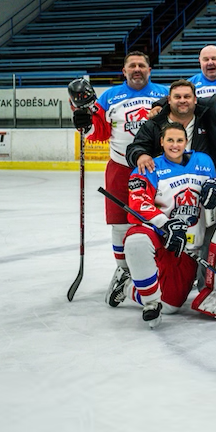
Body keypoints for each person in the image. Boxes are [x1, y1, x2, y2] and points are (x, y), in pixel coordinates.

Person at [70, 51, 168, 295]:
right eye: (132, 66)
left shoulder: (164, 94)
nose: (137, 69)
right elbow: (99, 132)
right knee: (119, 222)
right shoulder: (110, 96)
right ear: (123, 71)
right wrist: (85, 122)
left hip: (157, 168)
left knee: (162, 218)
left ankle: (163, 269)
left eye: (142, 65)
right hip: (121, 166)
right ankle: (124, 270)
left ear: (149, 70)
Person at [110, 122, 216, 327]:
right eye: (170, 140)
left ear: (186, 142)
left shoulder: (203, 161)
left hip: (188, 245)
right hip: (160, 236)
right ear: (161, 142)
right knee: (136, 240)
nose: (175, 145)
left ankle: (126, 287)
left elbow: (210, 197)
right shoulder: (150, 166)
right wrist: (166, 224)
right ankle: (150, 301)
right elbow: (138, 203)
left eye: (179, 140)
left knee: (171, 305)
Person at [126, 80, 210, 174]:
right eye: (177, 97)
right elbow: (136, 147)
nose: (182, 100)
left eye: (187, 97)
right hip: (164, 182)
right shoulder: (154, 124)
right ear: (169, 100)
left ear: (195, 99)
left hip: (200, 179)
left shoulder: (208, 121)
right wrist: (140, 155)